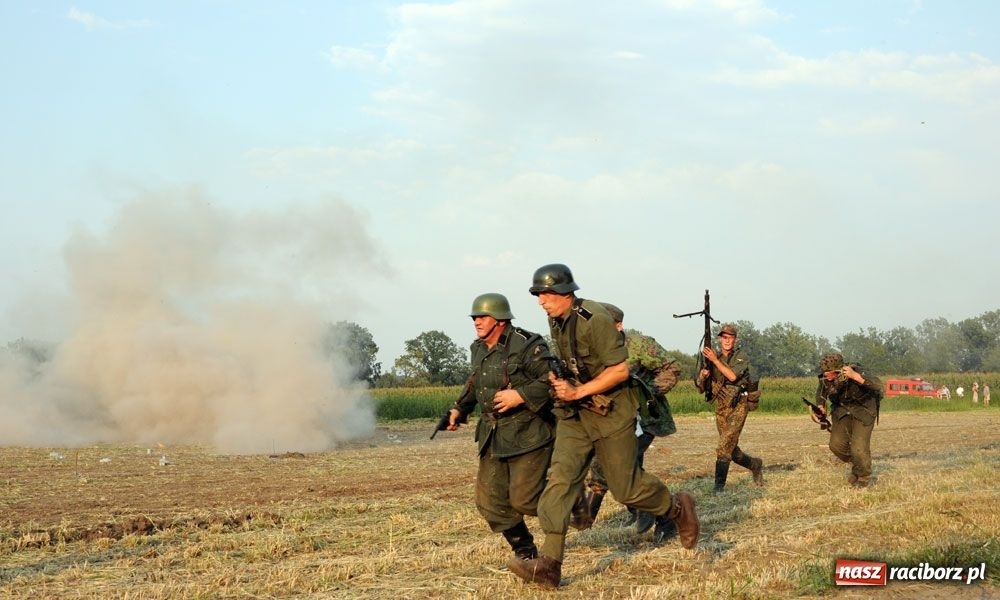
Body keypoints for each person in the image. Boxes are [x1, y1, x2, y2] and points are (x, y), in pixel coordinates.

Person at [508, 264, 699, 589]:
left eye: (545, 295)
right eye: (537, 296)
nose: (540, 301)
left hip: (612, 413)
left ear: (565, 292)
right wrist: (561, 382)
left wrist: (579, 390)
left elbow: (620, 372)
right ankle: (551, 566)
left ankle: (678, 508)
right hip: (576, 415)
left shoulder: (594, 319)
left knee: (626, 488)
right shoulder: (556, 319)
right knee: (561, 480)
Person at [445, 293, 555, 563]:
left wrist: (520, 395)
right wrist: (460, 408)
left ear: (500, 320)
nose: (477, 322)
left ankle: (571, 498)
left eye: (482, 317)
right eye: (475, 317)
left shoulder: (528, 345)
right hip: (493, 435)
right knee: (490, 503)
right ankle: (525, 552)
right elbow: (477, 382)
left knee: (525, 501)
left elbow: (552, 381)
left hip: (528, 433)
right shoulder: (478, 348)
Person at [569, 302, 679, 537]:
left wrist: (647, 392)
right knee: (623, 469)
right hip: (609, 419)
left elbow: (671, 368)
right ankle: (653, 513)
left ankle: (661, 514)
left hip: (644, 419)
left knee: (615, 465)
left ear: (618, 325)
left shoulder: (638, 344)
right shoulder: (594, 350)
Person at [696, 323, 764, 493]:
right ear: (719, 339)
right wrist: (703, 376)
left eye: (730, 337)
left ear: (735, 339)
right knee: (731, 450)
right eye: (724, 337)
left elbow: (732, 376)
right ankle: (754, 464)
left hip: (739, 405)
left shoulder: (740, 356)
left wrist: (715, 361)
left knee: (724, 446)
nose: (727, 340)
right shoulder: (713, 357)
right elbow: (701, 388)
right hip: (721, 406)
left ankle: (718, 488)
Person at [813, 352, 883, 488]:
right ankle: (859, 464)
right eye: (825, 373)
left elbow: (879, 386)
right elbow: (821, 392)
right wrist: (820, 405)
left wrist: (856, 377)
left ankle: (863, 476)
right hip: (842, 410)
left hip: (864, 410)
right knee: (836, 446)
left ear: (840, 370)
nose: (826, 376)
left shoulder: (856, 371)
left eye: (830, 373)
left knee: (859, 448)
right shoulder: (825, 378)